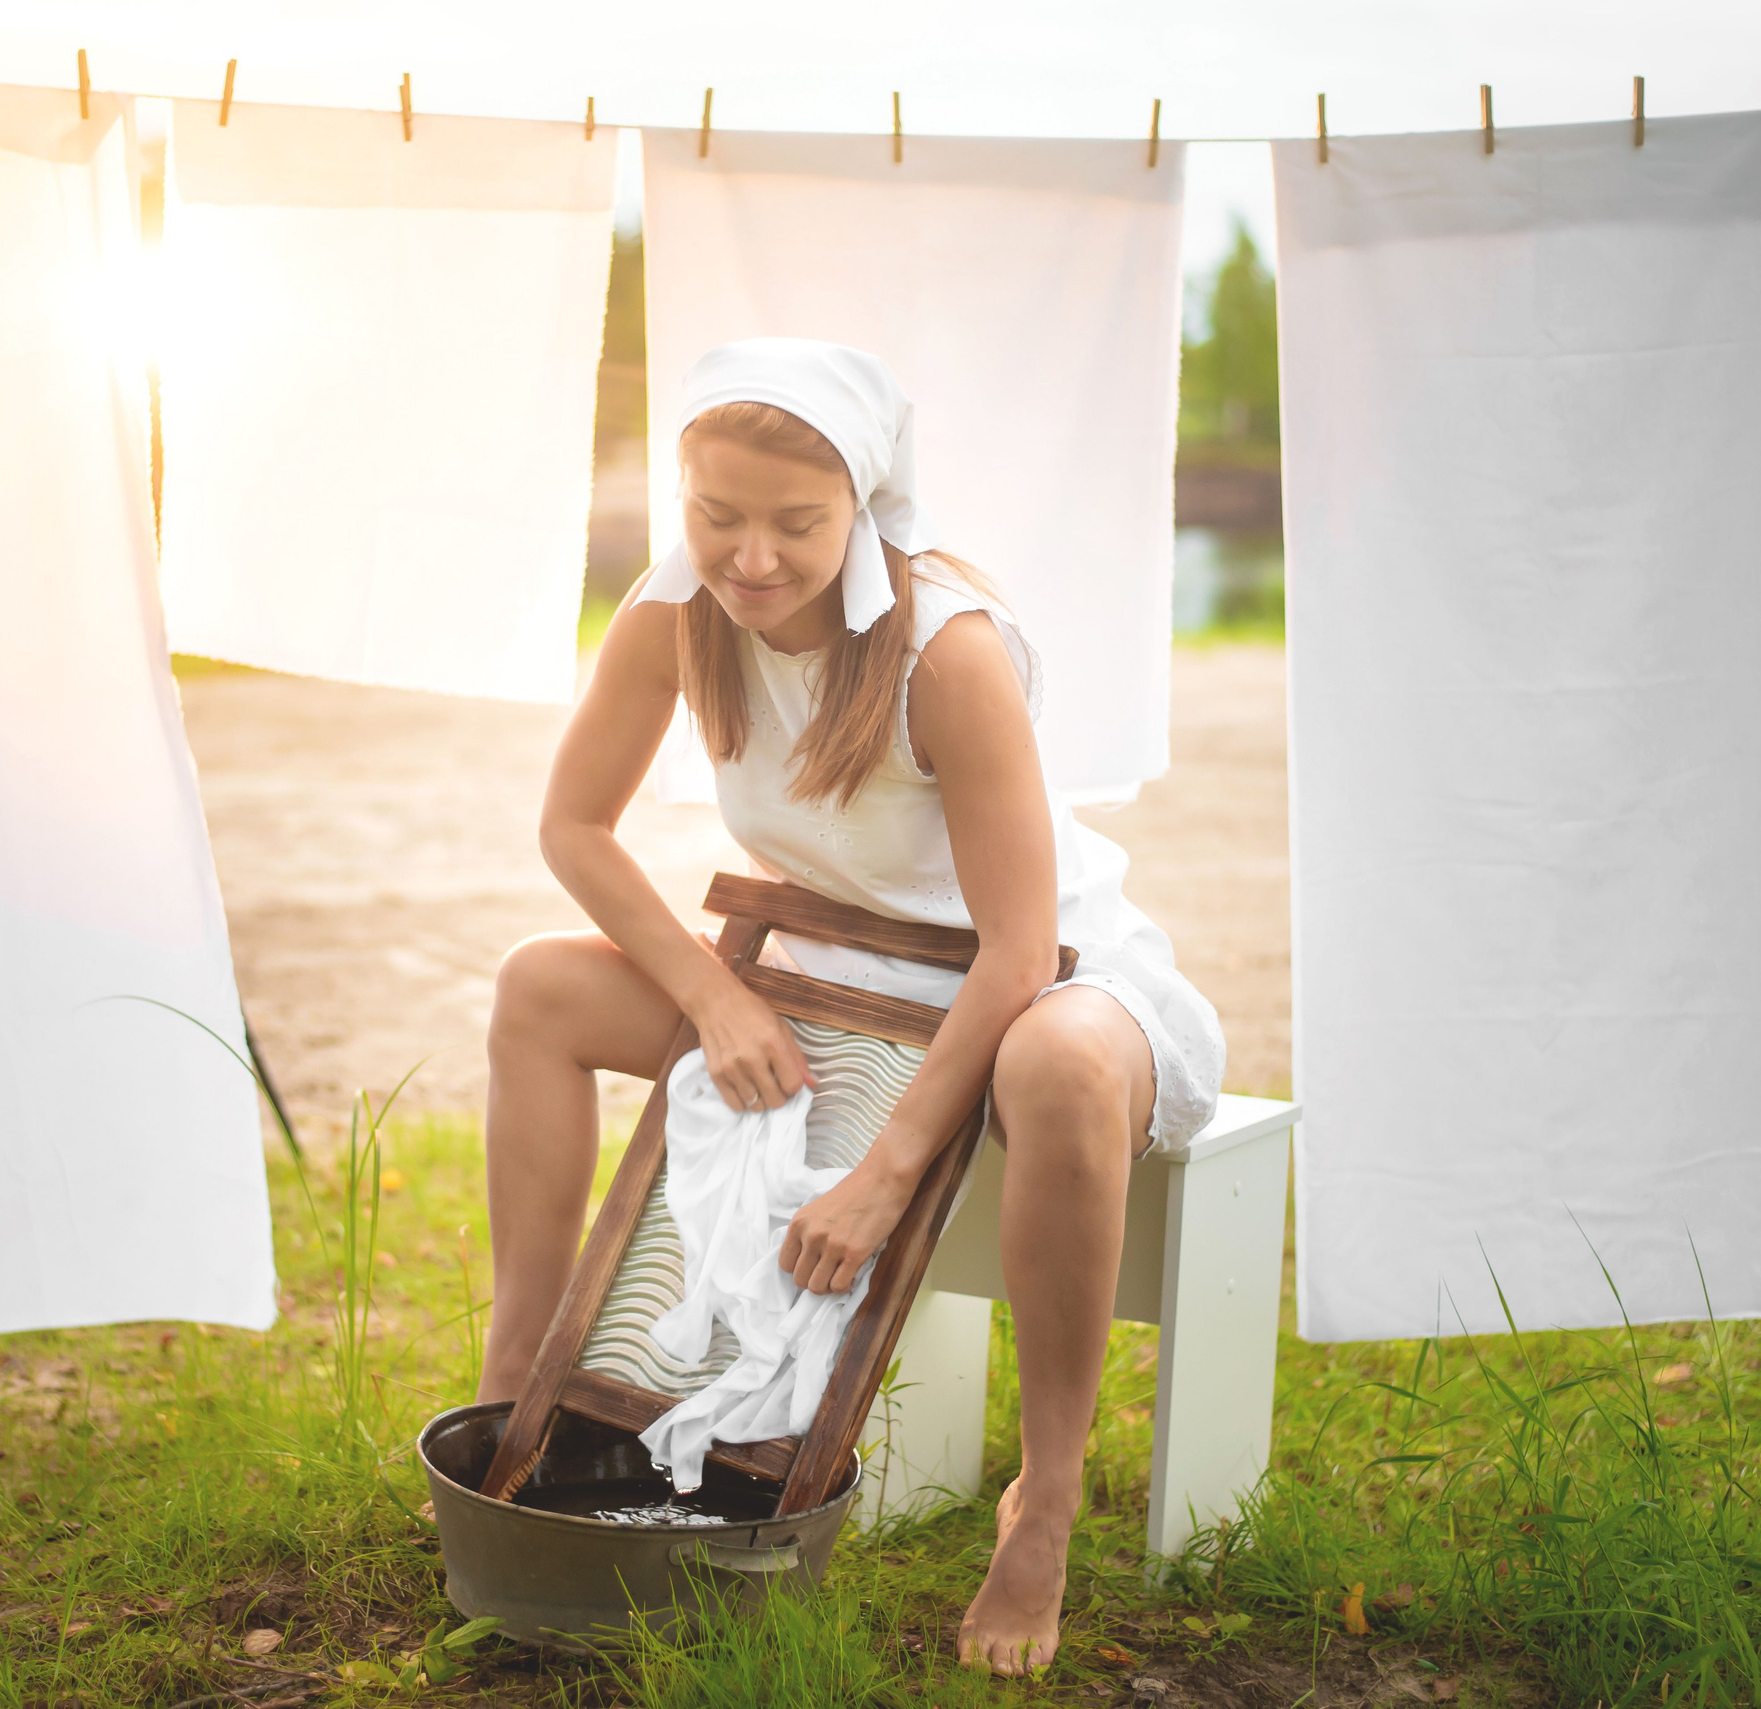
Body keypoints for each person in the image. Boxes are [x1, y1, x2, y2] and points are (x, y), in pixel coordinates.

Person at [478, 338, 1225, 1674]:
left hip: (1047, 978)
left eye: (796, 523)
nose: (750, 555)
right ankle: (513, 1386)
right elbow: (573, 826)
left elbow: (1017, 952)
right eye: (718, 514)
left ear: (863, 509)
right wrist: (710, 993)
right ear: (682, 495)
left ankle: (1041, 1504)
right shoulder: (671, 614)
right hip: (822, 975)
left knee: (1053, 1063)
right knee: (539, 985)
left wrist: (883, 1177)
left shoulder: (947, 649)